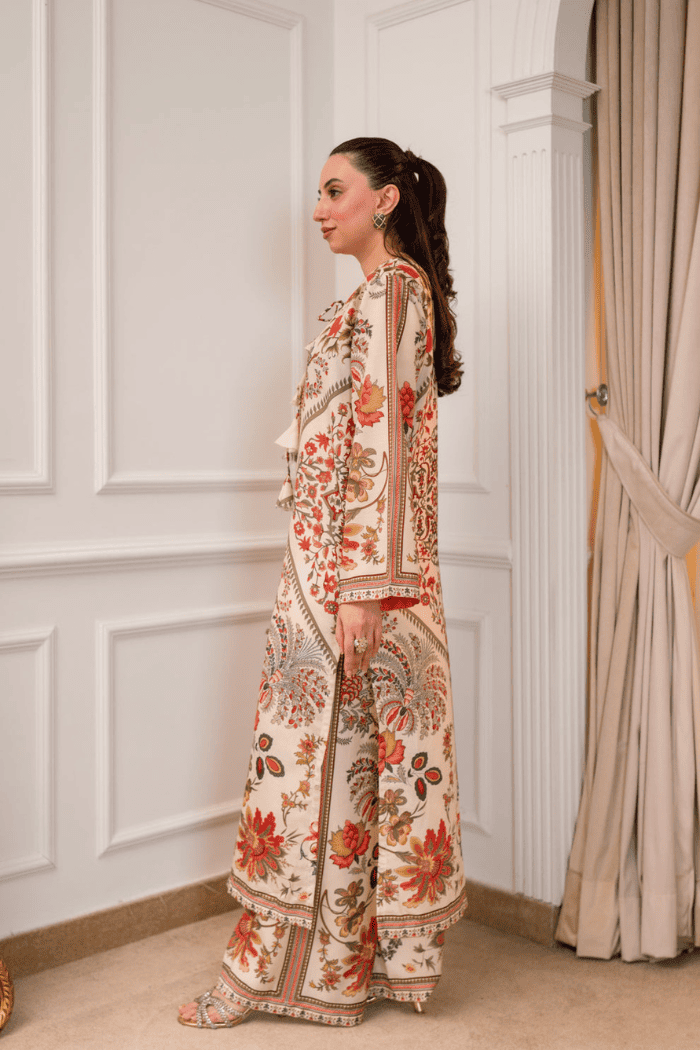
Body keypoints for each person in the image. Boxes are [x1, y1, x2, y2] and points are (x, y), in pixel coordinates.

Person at [178, 136, 467, 1029]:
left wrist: (362, 590)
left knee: (309, 773)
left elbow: (384, 444)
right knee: (335, 770)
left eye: (335, 191)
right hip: (338, 566)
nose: (318, 211)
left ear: (384, 200)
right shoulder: (376, 297)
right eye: (318, 193)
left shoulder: (392, 293)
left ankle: (260, 973)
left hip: (354, 577)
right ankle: (329, 974)